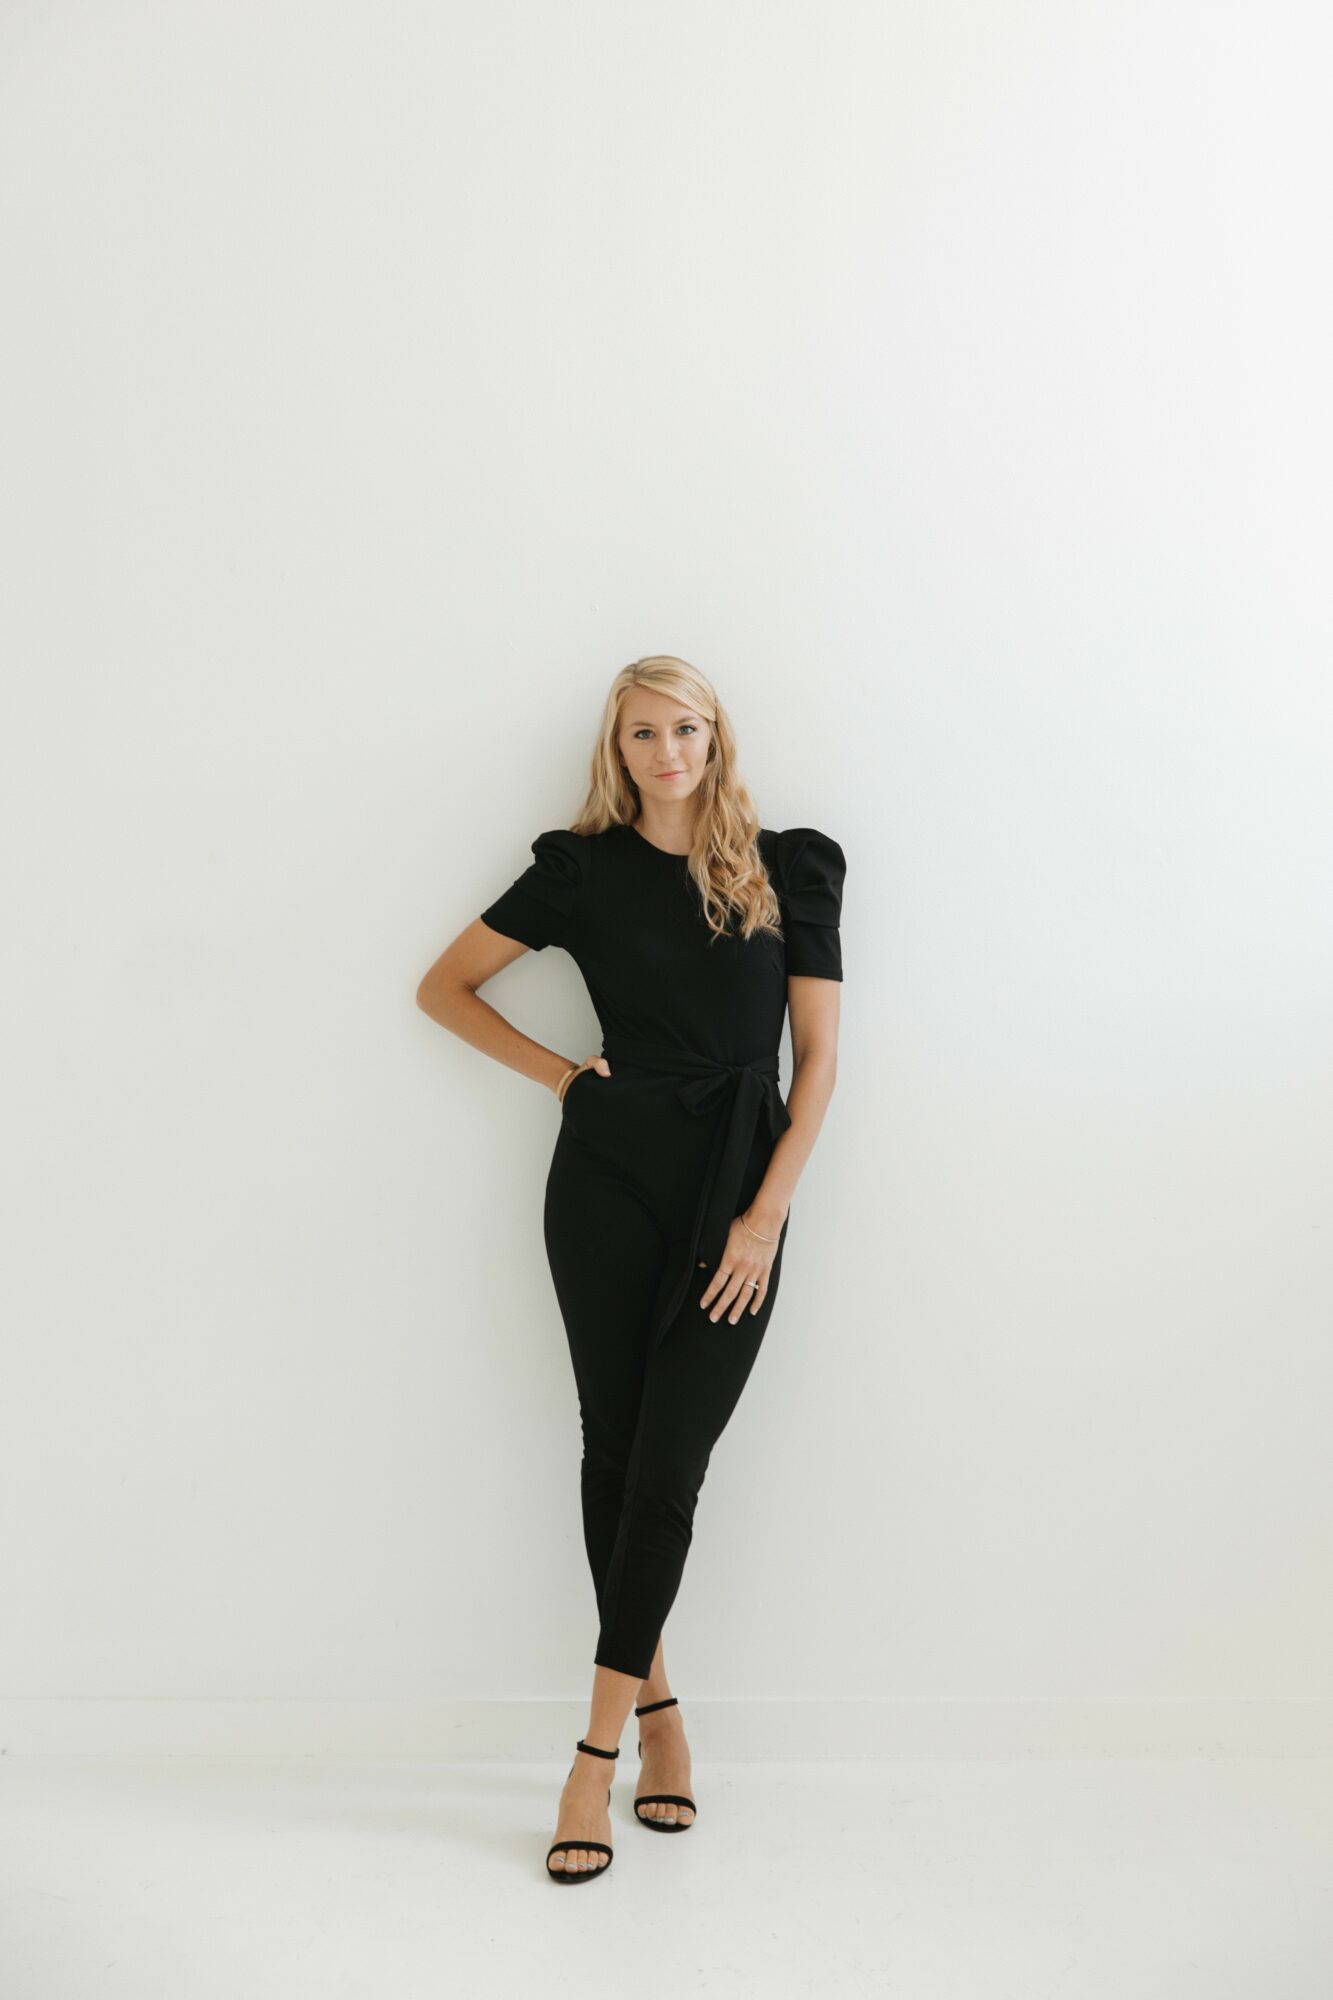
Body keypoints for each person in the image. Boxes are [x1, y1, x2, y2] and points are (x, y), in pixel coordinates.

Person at [415, 656, 845, 1883]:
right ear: (618, 747)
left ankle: (592, 1755)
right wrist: (562, 1076)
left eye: (686, 728)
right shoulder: (580, 869)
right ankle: (654, 1717)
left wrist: (764, 1216)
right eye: (644, 732)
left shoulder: (791, 865)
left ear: (717, 736)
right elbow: (444, 989)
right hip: (607, 1183)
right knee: (615, 1450)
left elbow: (815, 1062)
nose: (668, 752)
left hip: (738, 1185)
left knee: (670, 1464)